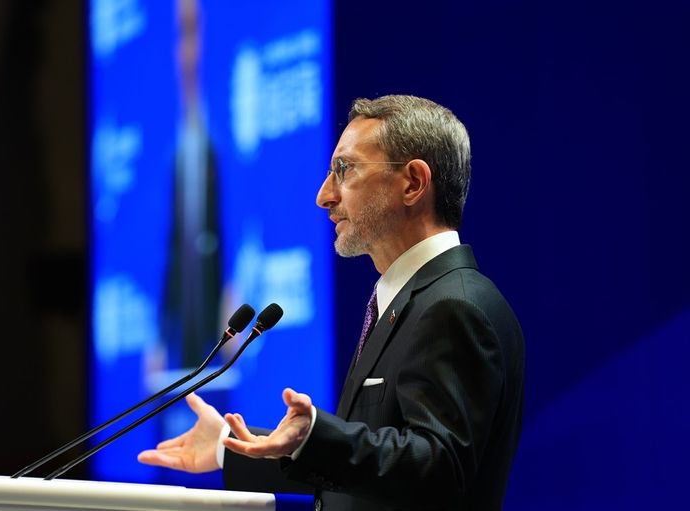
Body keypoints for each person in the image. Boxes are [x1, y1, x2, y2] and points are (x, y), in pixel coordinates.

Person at [139, 94, 525, 511]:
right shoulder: (410, 300)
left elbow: (438, 470)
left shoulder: (454, 306)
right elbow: (368, 477)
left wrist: (316, 437)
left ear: (413, 183)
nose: (324, 196)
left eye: (345, 169)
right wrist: (227, 446)